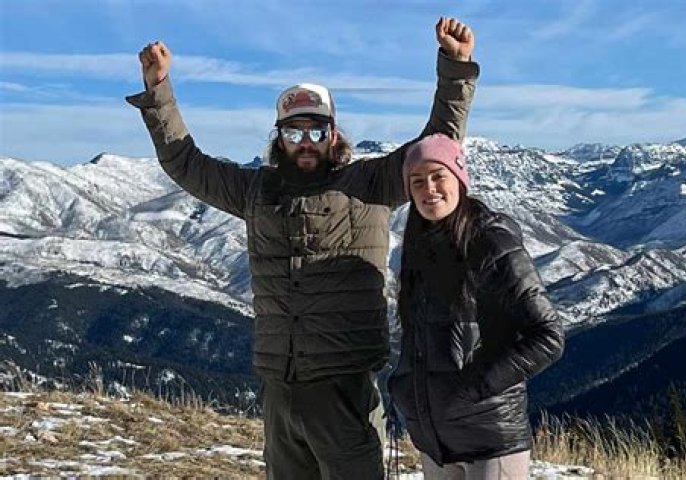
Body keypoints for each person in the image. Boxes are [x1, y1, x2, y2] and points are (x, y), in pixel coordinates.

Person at [127, 18, 479, 480]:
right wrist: (159, 91)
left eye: (316, 131)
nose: (305, 143)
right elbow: (186, 163)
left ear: (334, 134)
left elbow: (437, 145)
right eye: (294, 133)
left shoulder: (369, 183)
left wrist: (455, 67)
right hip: (280, 389)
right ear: (279, 138)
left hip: (346, 390)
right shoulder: (256, 191)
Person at [387, 133, 565, 479]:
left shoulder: (490, 241)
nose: (429, 189)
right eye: (417, 181)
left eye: (438, 176)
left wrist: (474, 389)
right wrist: (404, 386)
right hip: (436, 443)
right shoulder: (420, 244)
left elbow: (548, 336)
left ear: (459, 179)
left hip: (490, 440)